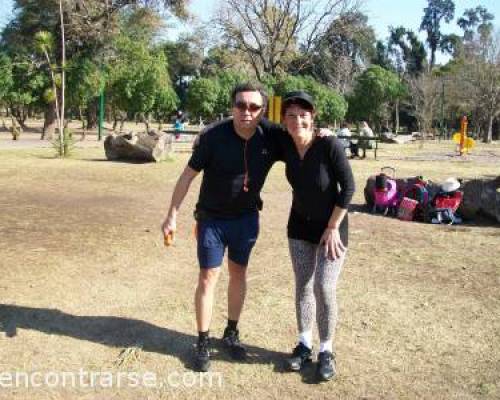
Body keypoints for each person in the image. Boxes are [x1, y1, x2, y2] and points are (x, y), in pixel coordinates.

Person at [161, 82, 283, 372]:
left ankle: (231, 332)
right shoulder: (213, 137)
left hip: (246, 220)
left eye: (254, 107)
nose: (246, 112)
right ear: (232, 107)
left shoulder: (271, 137)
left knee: (238, 273)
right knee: (208, 277)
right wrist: (172, 215)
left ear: (263, 110)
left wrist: (323, 135)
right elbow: (187, 176)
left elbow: (301, 138)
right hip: (212, 220)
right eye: (240, 105)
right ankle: (203, 341)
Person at [279, 91, 355, 382]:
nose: (298, 119)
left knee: (324, 287)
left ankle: (326, 350)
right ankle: (303, 344)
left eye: (303, 115)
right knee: (303, 286)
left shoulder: (329, 144)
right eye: (291, 114)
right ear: (284, 119)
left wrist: (333, 227)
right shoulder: (284, 143)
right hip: (299, 226)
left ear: (312, 118)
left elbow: (348, 188)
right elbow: (252, 124)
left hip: (332, 229)